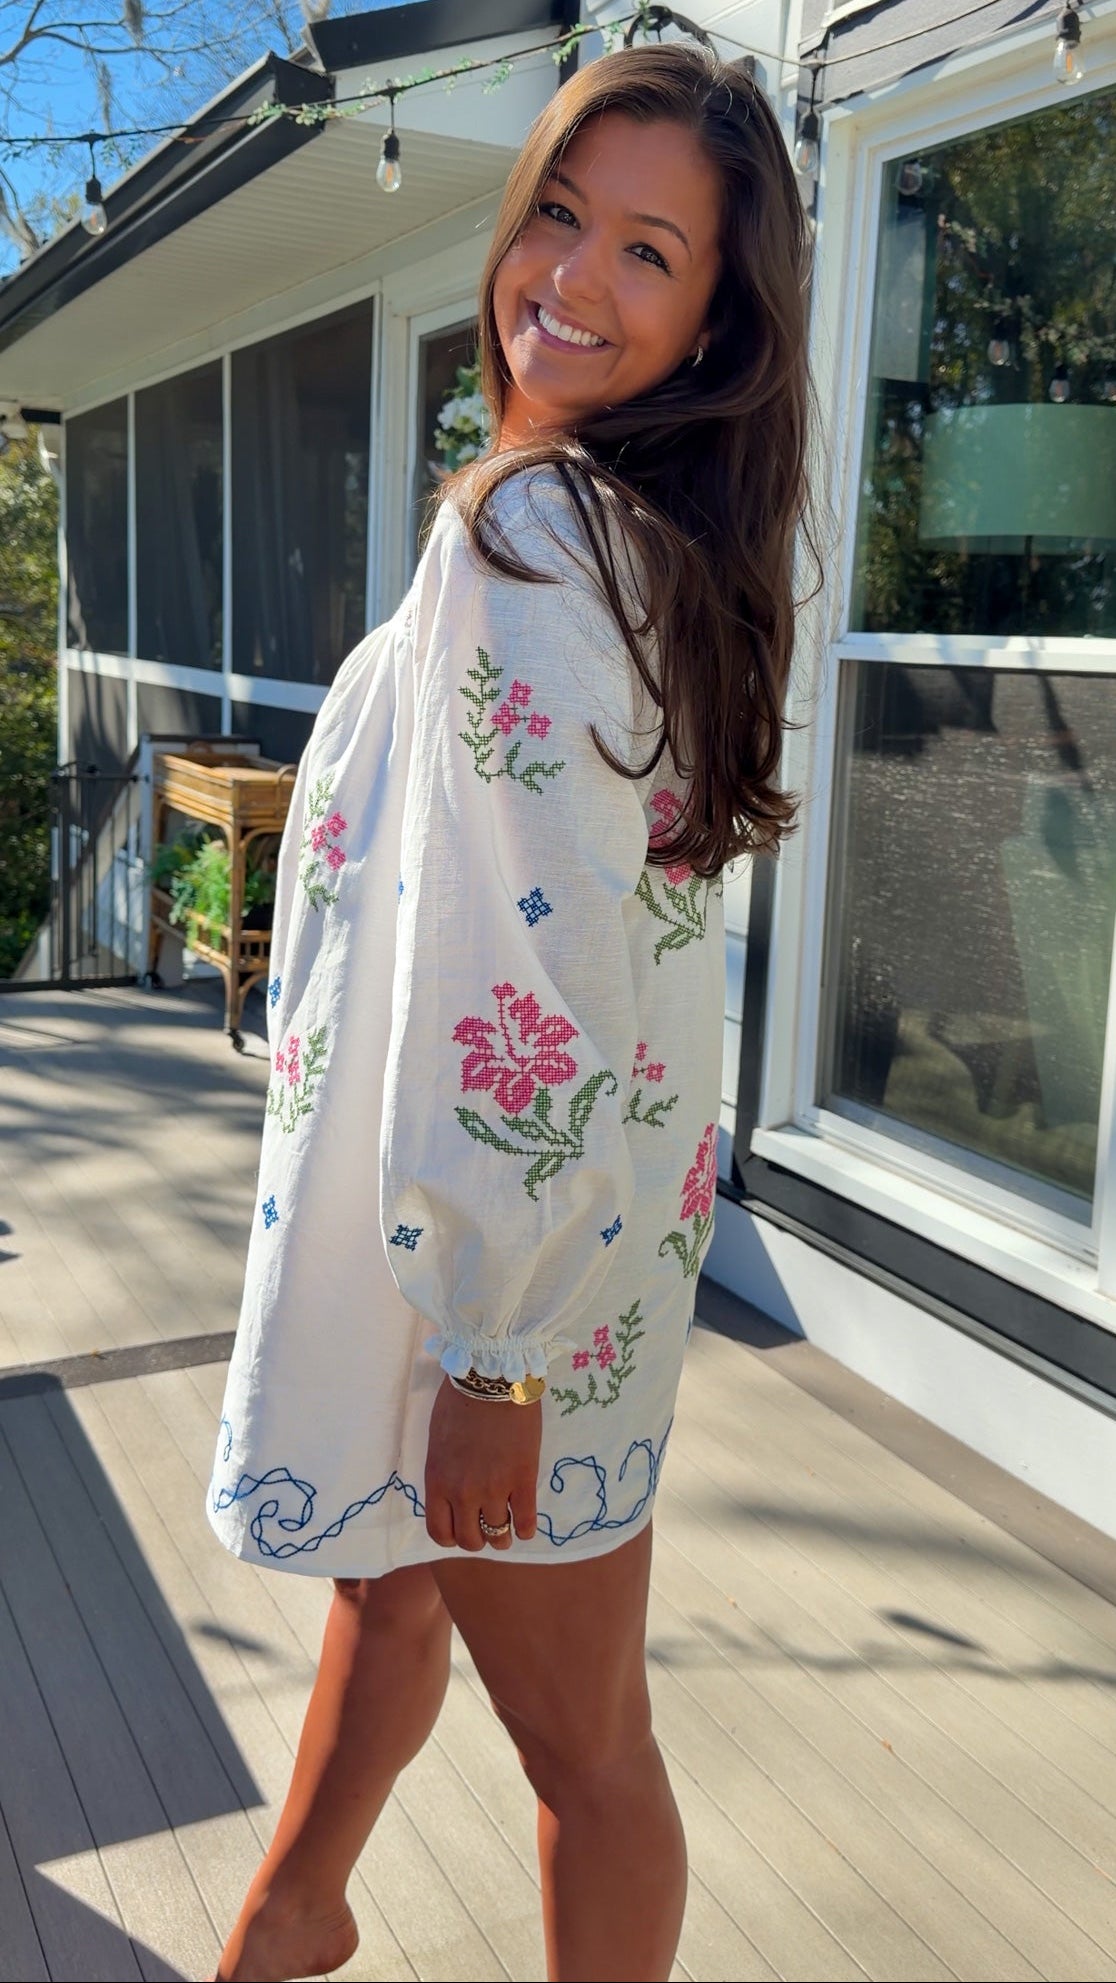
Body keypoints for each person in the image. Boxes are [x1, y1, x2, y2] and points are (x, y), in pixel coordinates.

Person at [209, 39, 813, 1983]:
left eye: (650, 250)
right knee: (387, 1605)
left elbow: (531, 972)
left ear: (720, 319)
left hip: (498, 1270)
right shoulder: (620, 534)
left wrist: (494, 1335)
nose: (572, 275)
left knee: (587, 1747)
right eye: (560, 210)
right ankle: (294, 1914)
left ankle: (287, 1919)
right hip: (508, 1243)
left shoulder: (538, 540)